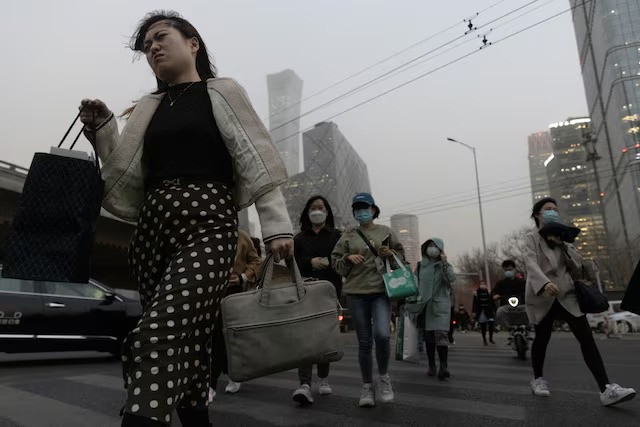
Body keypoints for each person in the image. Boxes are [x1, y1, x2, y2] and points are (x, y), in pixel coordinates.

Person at [79, 11, 294, 427]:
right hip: (152, 231)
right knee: (190, 342)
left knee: (153, 337)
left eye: (161, 38)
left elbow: (255, 155)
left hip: (209, 225)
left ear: (192, 43)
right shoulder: (148, 107)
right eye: (146, 47)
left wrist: (276, 225)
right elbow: (128, 175)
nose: (153, 48)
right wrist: (105, 130)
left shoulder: (222, 91)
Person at [525, 198, 636, 406]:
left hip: (567, 294)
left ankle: (606, 389)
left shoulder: (563, 236)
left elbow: (577, 266)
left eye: (555, 210)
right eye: (548, 209)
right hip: (544, 295)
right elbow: (531, 264)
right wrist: (545, 283)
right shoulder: (531, 238)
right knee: (542, 337)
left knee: (587, 339)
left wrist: (564, 246)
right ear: (538, 215)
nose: (553, 212)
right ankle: (538, 379)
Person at [332, 193, 404, 407]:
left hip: (381, 292)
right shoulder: (348, 235)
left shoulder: (386, 232)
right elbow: (336, 263)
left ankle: (383, 377)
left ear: (373, 209)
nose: (361, 211)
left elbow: (401, 258)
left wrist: (389, 253)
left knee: (382, 335)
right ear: (354, 212)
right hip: (355, 293)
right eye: (357, 208)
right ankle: (366, 387)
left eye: (365, 207)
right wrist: (348, 258)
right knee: (364, 343)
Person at [291, 195, 342, 405]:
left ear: (327, 212)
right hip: (305, 291)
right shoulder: (299, 238)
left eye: (321, 208)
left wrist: (328, 263)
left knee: (324, 336)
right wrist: (309, 261)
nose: (317, 211)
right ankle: (304, 384)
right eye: (313, 208)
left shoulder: (337, 236)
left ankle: (323, 376)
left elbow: (342, 261)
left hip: (330, 292)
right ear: (307, 212)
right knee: (305, 337)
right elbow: (292, 263)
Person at [209, 230, 261, 401]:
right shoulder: (208, 233)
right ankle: (217, 379)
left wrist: (242, 277)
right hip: (210, 292)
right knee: (214, 338)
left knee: (229, 336)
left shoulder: (241, 236)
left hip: (233, 293)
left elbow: (256, 261)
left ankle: (226, 376)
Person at [416, 238, 456, 380]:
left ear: (441, 249)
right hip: (425, 306)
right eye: (429, 246)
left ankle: (443, 366)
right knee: (429, 338)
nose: (432, 248)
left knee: (441, 335)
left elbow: (451, 279)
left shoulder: (445, 265)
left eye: (435, 246)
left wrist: (444, 263)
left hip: (440, 306)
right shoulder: (421, 266)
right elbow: (415, 283)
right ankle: (432, 365)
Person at [493, 260, 526, 327]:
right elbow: (494, 292)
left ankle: (529, 327)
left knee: (530, 310)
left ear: (514, 269)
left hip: (521, 306)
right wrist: (495, 295)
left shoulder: (522, 282)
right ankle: (503, 326)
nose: (508, 271)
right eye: (506, 270)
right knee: (499, 311)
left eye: (510, 269)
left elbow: (528, 291)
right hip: (506, 306)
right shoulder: (500, 283)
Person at [473, 281, 495, 345]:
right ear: (479, 285)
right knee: (483, 326)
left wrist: (494, 309)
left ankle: (491, 338)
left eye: (484, 284)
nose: (482, 285)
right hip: (481, 311)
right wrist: (474, 312)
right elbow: (474, 303)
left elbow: (492, 302)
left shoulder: (488, 292)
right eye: (481, 284)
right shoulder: (476, 293)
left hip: (489, 310)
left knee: (491, 324)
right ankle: (484, 339)